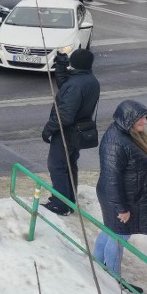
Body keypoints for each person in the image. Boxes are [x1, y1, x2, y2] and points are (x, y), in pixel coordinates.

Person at [93, 100, 147, 284]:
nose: (145, 122)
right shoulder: (115, 143)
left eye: (145, 118)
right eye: (141, 119)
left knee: (109, 232)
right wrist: (121, 208)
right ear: (129, 119)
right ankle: (115, 282)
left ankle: (98, 266)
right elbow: (111, 178)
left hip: (125, 197)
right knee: (118, 238)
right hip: (121, 201)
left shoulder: (127, 133)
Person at [42, 49, 101, 215]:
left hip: (66, 132)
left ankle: (60, 204)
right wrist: (61, 65)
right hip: (79, 131)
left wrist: (48, 129)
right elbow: (66, 87)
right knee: (69, 164)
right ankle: (69, 200)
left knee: (57, 166)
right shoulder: (89, 80)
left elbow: (65, 115)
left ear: (74, 63)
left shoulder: (76, 84)